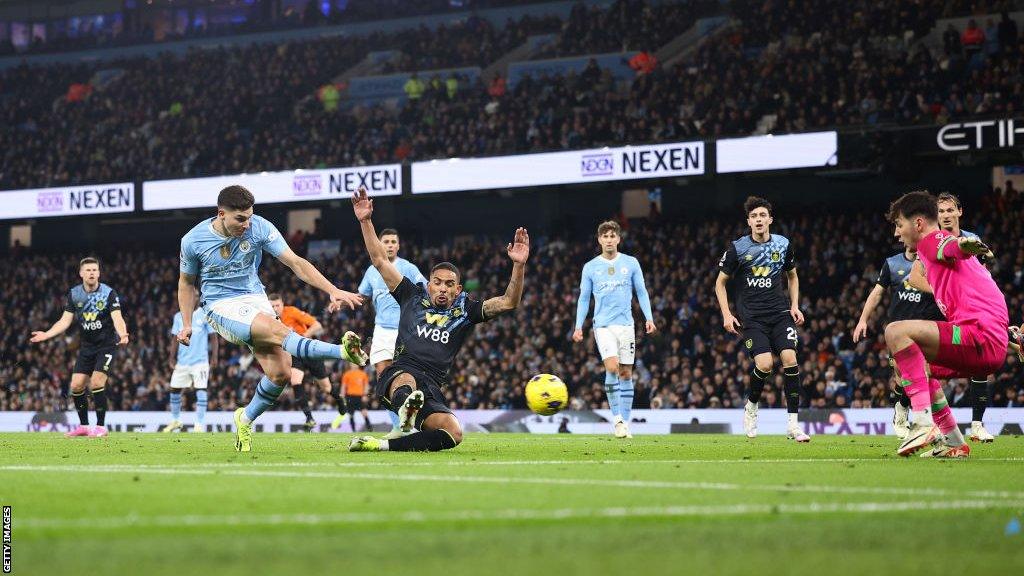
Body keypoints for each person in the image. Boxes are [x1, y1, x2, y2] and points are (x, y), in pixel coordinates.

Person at [176, 185, 367, 452]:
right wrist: (187, 323)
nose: (247, 224)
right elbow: (186, 283)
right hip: (220, 306)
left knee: (281, 373)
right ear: (221, 214)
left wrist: (332, 289)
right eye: (240, 219)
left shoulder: (260, 227)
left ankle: (245, 418)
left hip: (255, 298)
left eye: (250, 217)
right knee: (278, 331)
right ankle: (343, 352)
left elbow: (296, 263)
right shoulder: (193, 240)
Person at [347, 187, 528, 452]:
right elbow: (379, 261)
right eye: (437, 282)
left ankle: (383, 445)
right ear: (429, 284)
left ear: (458, 289)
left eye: (449, 284)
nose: (443, 288)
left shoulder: (466, 310)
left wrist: (519, 265)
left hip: (430, 385)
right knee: (405, 380)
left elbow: (509, 301)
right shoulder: (410, 294)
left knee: (453, 433)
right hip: (400, 372)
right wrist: (365, 221)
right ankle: (405, 407)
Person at [884, 190, 1008, 458]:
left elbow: (950, 246)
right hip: (988, 345)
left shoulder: (932, 240)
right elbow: (990, 297)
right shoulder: (956, 274)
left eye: (899, 225)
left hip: (978, 339)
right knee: (916, 368)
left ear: (917, 223)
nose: (897, 234)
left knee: (895, 331)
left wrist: (962, 246)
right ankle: (953, 441)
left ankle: (921, 422)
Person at [714, 196, 810, 442]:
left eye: (762, 216)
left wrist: (795, 305)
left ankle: (793, 425)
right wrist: (727, 314)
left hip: (780, 313)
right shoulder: (738, 248)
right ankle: (751, 406)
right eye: (754, 216)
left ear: (770, 219)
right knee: (765, 364)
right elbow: (720, 283)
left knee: (790, 359)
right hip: (752, 317)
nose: (758, 220)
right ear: (749, 221)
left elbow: (793, 276)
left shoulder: (782, 244)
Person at [572, 220, 656, 439]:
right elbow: (583, 299)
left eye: (612, 236)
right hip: (603, 326)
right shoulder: (590, 267)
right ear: (599, 239)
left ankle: (625, 423)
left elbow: (642, 292)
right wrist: (578, 326)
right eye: (605, 236)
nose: (609, 240)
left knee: (626, 373)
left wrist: (649, 318)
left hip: (627, 325)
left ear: (618, 239)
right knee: (612, 368)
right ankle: (617, 418)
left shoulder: (631, 263)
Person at [853, 241, 944, 440]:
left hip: (924, 328)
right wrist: (863, 320)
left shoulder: (931, 264)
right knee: (903, 377)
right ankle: (902, 409)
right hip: (898, 332)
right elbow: (877, 293)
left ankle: (920, 419)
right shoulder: (892, 264)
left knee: (925, 373)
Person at [31, 257, 129, 438]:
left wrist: (123, 334)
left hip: (106, 345)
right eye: (88, 270)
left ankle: (100, 427)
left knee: (97, 383)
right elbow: (64, 321)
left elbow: (117, 318)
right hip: (87, 346)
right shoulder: (74, 294)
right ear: (81, 273)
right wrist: (47, 334)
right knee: (76, 386)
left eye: (95, 270)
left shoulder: (108, 293)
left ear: (99, 273)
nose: (92, 273)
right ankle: (84, 426)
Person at [936, 192, 996, 442]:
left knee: (980, 363)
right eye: (941, 212)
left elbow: (984, 273)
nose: (946, 216)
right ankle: (925, 422)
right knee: (930, 367)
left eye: (950, 210)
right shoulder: (933, 241)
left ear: (960, 212)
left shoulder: (973, 240)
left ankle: (977, 425)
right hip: (941, 309)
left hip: (970, 312)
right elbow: (917, 278)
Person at [357, 228, 427, 439]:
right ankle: (398, 425)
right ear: (379, 244)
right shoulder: (372, 271)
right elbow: (362, 296)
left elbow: (425, 287)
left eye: (393, 241)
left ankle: (412, 421)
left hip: (405, 329)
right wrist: (341, 300)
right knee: (382, 376)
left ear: (398, 245)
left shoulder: (408, 267)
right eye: (385, 241)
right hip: (381, 330)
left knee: (407, 375)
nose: (389, 245)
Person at [269, 293, 349, 431]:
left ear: (282, 304)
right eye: (272, 306)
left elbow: (317, 325)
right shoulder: (270, 320)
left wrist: (303, 337)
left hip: (308, 350)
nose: (276, 308)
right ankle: (309, 418)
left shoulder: (292, 312)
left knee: (326, 388)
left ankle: (339, 399)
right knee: (295, 381)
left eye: (278, 305)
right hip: (294, 355)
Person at [161, 306, 217, 433]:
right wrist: (171, 357)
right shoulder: (178, 316)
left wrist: (214, 357)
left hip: (200, 361)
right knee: (174, 389)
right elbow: (175, 339)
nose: (193, 298)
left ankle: (199, 424)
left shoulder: (204, 314)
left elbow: (213, 336)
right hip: (183, 361)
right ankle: (176, 421)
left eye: (195, 296)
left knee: (201, 390)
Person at [342, 363, 371, 432]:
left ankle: (370, 428)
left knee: (364, 412)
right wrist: (342, 397)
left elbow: (366, 386)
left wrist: (365, 395)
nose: (354, 365)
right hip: (350, 396)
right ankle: (353, 430)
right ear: (350, 365)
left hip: (360, 397)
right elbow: (343, 386)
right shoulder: (347, 374)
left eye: (355, 364)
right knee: (351, 414)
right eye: (352, 364)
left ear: (358, 365)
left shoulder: (363, 374)